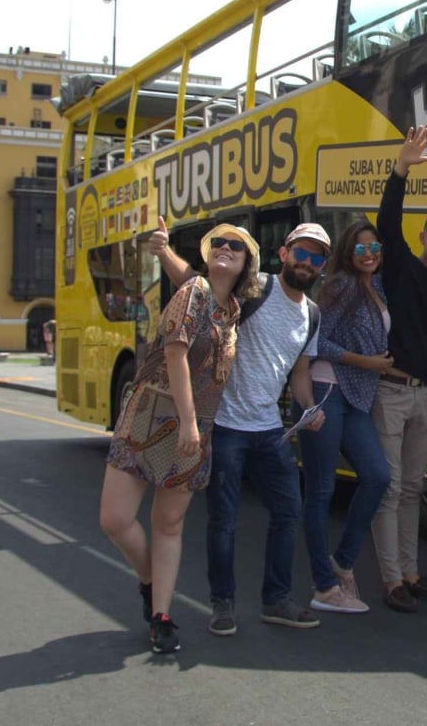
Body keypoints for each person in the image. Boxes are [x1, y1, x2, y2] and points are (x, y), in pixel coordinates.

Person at [150, 217, 329, 634]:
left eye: (315, 257)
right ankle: (222, 603)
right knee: (224, 520)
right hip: (226, 425)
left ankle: (276, 599)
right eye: (299, 252)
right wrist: (163, 253)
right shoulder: (258, 289)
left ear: (321, 266)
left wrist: (309, 407)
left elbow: (300, 373)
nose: (305, 261)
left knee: (289, 511)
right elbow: (198, 286)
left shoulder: (313, 316)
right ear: (283, 253)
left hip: (269, 430)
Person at [98, 221, 257, 654]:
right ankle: (149, 582)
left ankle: (162, 616)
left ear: (245, 265)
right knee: (114, 519)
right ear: (208, 256)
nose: (225, 248)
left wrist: (195, 427)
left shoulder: (234, 311)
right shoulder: (195, 293)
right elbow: (175, 354)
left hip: (196, 427)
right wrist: (188, 421)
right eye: (218, 243)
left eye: (236, 247)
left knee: (168, 524)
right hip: (152, 416)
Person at [372, 126, 427, 613]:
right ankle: (390, 581)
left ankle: (410, 571)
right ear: (422, 238)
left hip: (426, 395)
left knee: (410, 489)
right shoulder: (401, 267)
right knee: (388, 490)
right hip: (392, 392)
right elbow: (387, 222)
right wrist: (401, 169)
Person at [298, 220, 394, 614]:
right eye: (360, 248)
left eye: (374, 247)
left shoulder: (378, 287)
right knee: (320, 491)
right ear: (347, 252)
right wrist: (365, 362)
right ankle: (324, 585)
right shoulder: (339, 287)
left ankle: (342, 562)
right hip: (326, 390)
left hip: (355, 398)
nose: (368, 254)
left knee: (377, 476)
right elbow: (319, 342)